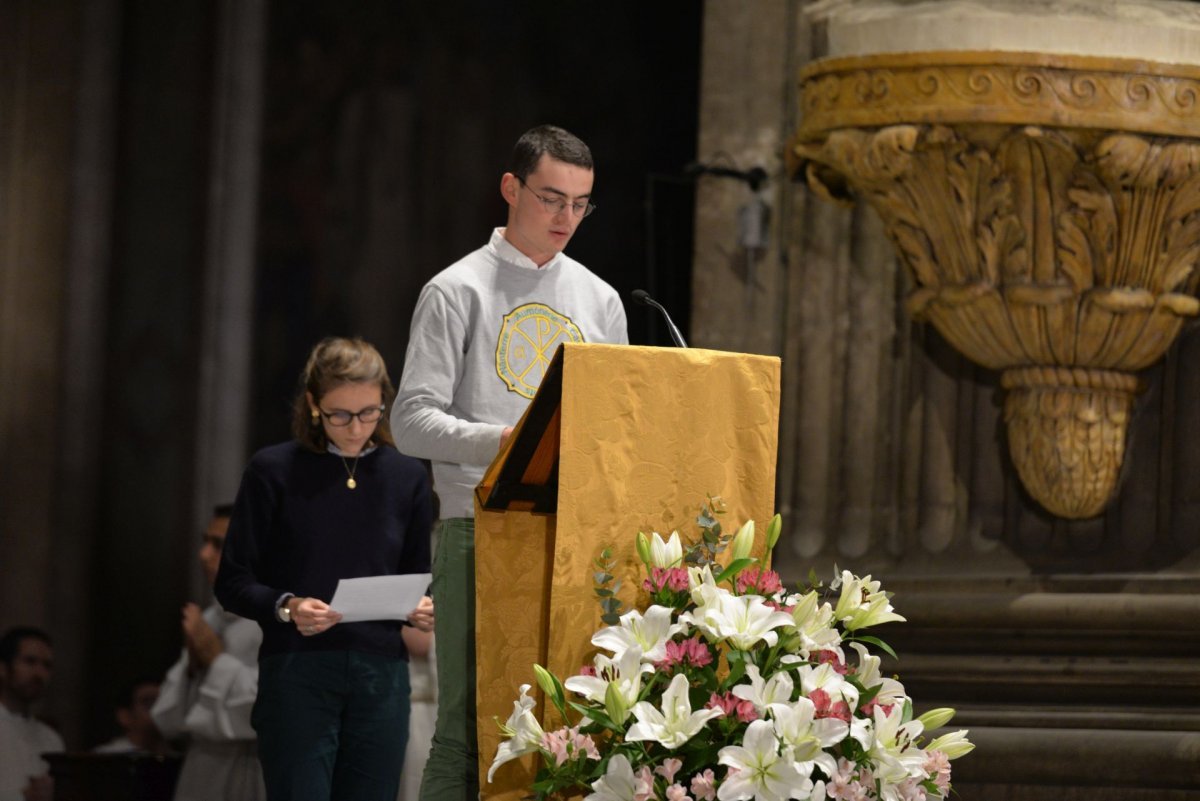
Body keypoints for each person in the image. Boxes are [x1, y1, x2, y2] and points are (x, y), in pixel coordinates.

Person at [392, 124, 628, 800]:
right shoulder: (456, 290)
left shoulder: (600, 300)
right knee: (469, 728)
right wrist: (507, 442)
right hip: (479, 527)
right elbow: (410, 422)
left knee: (568, 726)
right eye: (552, 198)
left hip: (570, 539)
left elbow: (609, 424)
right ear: (510, 188)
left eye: (580, 204)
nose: (565, 219)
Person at [215, 336, 434, 801]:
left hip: (381, 675)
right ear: (313, 405)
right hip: (297, 669)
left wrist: (424, 608)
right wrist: (287, 606)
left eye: (370, 412)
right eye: (339, 414)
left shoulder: (407, 476)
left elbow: (420, 575)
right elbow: (232, 581)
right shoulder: (273, 470)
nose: (356, 428)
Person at [150, 504, 265, 800]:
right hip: (201, 767)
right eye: (205, 542)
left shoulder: (276, 618)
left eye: (218, 545)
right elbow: (168, 719)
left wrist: (215, 659)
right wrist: (194, 667)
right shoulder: (212, 618)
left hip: (252, 768)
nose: (203, 555)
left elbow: (273, 705)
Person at [0, 626, 63, 801]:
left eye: (47, 665)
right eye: (29, 661)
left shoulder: (51, 738)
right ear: (4, 668)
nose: (39, 673)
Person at [94, 678, 169, 755]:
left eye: (162, 702)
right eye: (149, 703)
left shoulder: (177, 755)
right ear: (124, 716)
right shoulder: (106, 758)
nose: (158, 710)